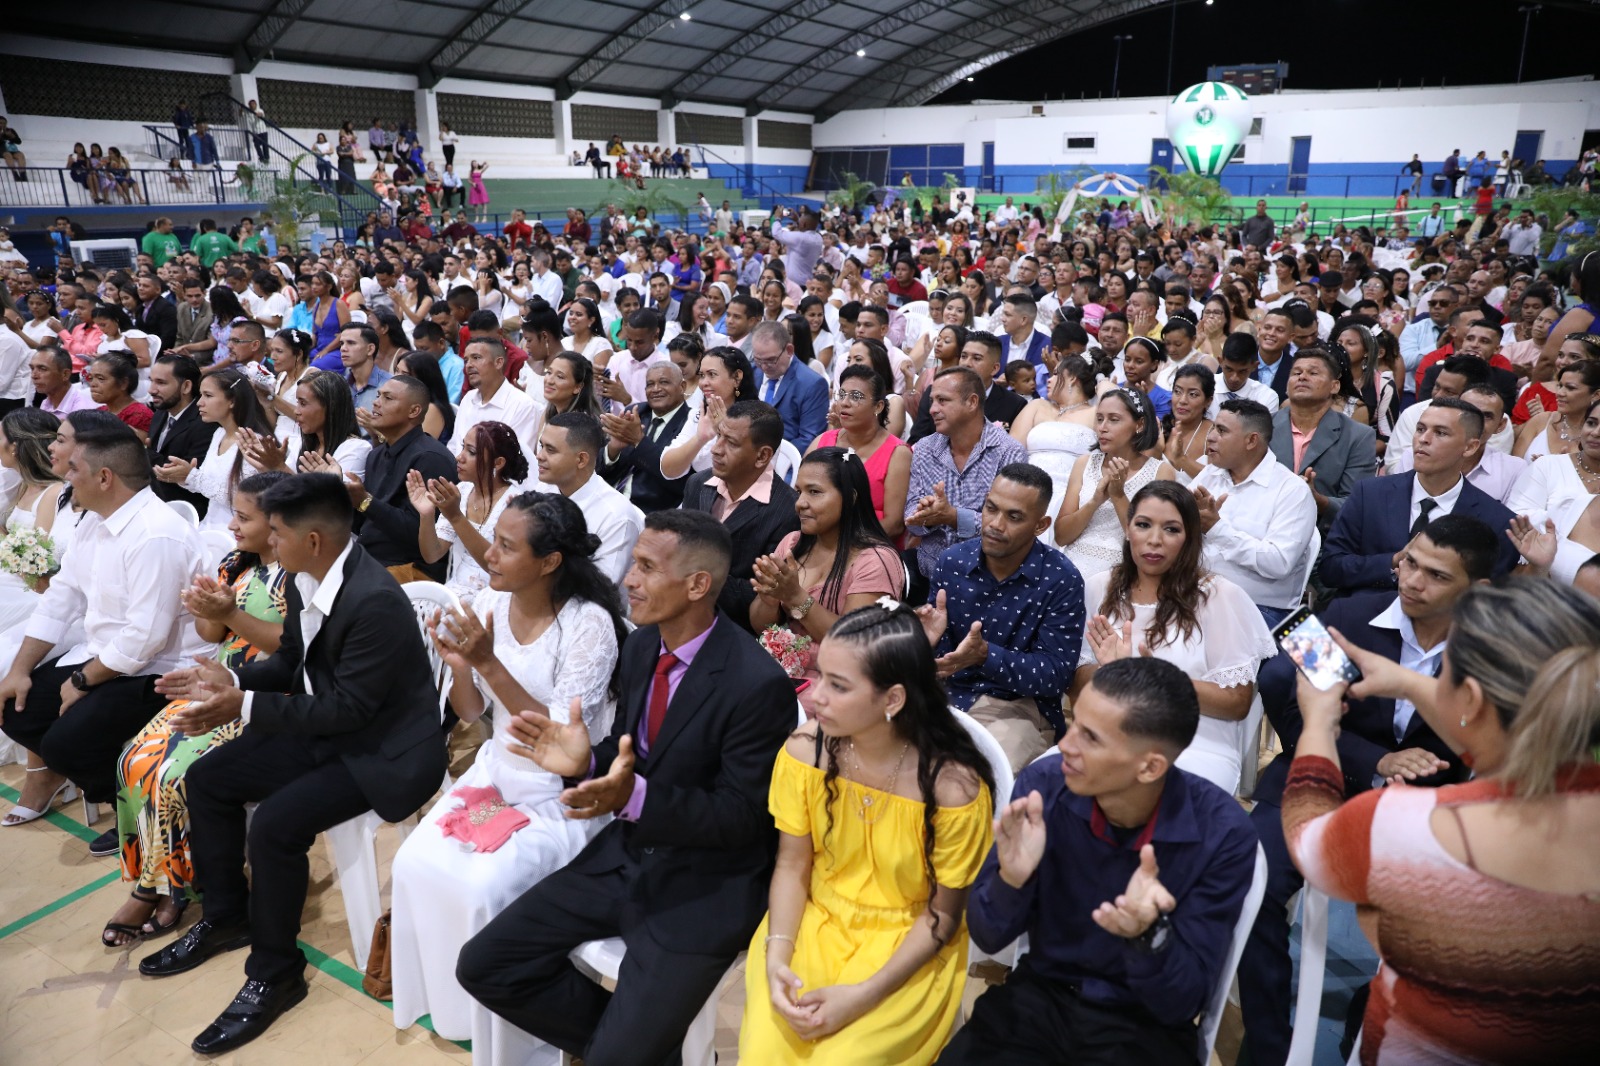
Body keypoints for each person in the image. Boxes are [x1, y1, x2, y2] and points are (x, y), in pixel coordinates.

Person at [455, 509, 799, 1065]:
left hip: (703, 886)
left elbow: (740, 818)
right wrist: (583, 760)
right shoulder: (641, 648)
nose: (628, 579)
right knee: (485, 965)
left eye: (646, 567)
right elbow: (625, 756)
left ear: (697, 584)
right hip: (626, 857)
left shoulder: (756, 684)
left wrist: (633, 798)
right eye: (633, 563)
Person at [135, 473, 447, 1054]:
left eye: (276, 532)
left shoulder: (374, 601)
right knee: (208, 778)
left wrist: (242, 705)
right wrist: (229, 678)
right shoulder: (308, 578)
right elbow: (295, 665)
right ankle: (228, 916)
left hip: (382, 752)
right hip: (330, 730)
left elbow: (349, 709)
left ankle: (277, 972)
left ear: (313, 539)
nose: (269, 542)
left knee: (277, 825)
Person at [1282, 580, 1600, 1064]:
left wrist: (1319, 723)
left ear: (1470, 698)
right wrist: (1407, 682)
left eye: (1441, 674)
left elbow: (1310, 842)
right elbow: (1496, 738)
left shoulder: (1411, 826)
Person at [1237, 517, 1494, 1066]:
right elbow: (1291, 707)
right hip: (1317, 775)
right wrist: (1375, 760)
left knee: (1447, 927)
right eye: (1410, 562)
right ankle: (1268, 1044)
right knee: (1253, 883)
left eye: (1437, 575)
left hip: (1425, 810)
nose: (1412, 581)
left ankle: (1372, 1026)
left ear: (1479, 590)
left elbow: (1488, 750)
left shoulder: (1493, 654)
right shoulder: (1345, 618)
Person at [390, 492, 627, 1059]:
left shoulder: (589, 624)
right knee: (413, 863)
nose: (488, 555)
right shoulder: (492, 603)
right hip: (496, 771)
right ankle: (455, 1010)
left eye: (505, 545)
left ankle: (518, 1032)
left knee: (481, 887)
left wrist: (487, 661)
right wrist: (461, 668)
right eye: (494, 540)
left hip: (559, 793)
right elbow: (474, 713)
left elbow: (562, 742)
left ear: (549, 562)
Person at [937, 656, 1258, 1065]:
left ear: (1150, 767)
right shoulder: (1044, 786)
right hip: (1041, 998)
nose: (1065, 746)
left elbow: (1182, 1002)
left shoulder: (1221, 832)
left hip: (1144, 1026)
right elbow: (987, 936)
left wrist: (1148, 935)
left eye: (1090, 738)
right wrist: (1011, 881)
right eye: (1074, 724)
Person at [743, 602, 994, 1063]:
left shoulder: (952, 790)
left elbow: (942, 917)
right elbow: (793, 866)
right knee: (764, 1053)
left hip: (907, 947)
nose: (817, 696)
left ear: (893, 699)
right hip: (812, 924)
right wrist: (777, 959)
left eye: (838, 685)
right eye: (820, 676)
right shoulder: (804, 752)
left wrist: (862, 995)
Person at [0, 422, 208, 858]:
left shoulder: (155, 533)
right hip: (107, 655)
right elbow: (60, 599)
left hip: (163, 670)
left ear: (104, 477)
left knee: (64, 743)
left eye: (73, 468)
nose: (66, 477)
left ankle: (138, 809)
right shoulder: (94, 521)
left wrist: (82, 681)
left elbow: (145, 638)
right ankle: (114, 785)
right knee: (15, 708)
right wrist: (19, 670)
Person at [102, 471, 289, 946]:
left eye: (244, 518)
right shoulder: (236, 563)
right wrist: (207, 608)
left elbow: (291, 649)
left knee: (172, 774)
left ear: (277, 523)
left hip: (262, 695)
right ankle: (158, 881)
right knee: (133, 759)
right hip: (214, 683)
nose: (232, 526)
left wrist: (229, 613)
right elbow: (211, 635)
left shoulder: (297, 575)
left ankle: (166, 890)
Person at [1073, 481, 1275, 794]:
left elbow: (1236, 702)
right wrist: (1113, 674)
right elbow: (1075, 683)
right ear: (1127, 529)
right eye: (1143, 525)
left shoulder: (1219, 596)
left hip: (1195, 743)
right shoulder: (1100, 587)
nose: (1154, 540)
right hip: (1110, 733)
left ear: (1190, 538)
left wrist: (1156, 679)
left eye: (1171, 529)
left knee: (1144, 791)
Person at [920, 464, 1083, 770]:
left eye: (1014, 517)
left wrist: (985, 656)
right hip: (945, 696)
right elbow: (942, 660)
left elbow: (1055, 675)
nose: (995, 524)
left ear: (1040, 525)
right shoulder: (952, 562)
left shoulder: (1061, 579)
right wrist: (925, 641)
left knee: (973, 774)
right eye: (990, 508)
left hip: (1021, 707)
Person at [749, 447, 906, 711]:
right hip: (782, 671)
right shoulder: (793, 543)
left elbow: (853, 644)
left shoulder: (875, 560)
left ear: (850, 498)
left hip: (839, 682)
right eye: (799, 491)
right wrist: (768, 598)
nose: (800, 503)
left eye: (814, 492)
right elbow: (761, 628)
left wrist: (795, 596)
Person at [1321, 399, 1518, 595]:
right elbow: (1330, 568)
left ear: (1470, 447)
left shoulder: (1497, 521)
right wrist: (1393, 561)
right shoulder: (1369, 494)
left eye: (1440, 433)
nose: (1423, 439)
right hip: (1364, 611)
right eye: (1421, 429)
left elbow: (1487, 599)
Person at [1192, 399, 1318, 626]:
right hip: (1196, 596)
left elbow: (1279, 563)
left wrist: (1216, 529)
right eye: (1213, 428)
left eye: (1221, 430)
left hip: (1261, 610)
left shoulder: (1293, 491)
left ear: (1251, 440)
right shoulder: (1209, 475)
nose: (1210, 437)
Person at [681, 400, 800, 629]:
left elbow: (758, 595)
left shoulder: (788, 511)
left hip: (734, 628)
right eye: (719, 436)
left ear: (762, 456)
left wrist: (692, 570)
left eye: (731, 443)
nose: (716, 449)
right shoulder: (697, 484)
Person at [905, 367, 1029, 585]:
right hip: (929, 573)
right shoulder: (924, 448)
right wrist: (925, 514)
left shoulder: (1009, 452)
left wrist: (952, 517)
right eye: (932, 401)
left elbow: (1009, 525)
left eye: (943, 400)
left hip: (986, 577)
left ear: (972, 402)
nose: (932, 409)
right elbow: (910, 518)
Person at [328, 375, 457, 583]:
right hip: (371, 559)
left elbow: (420, 537)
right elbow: (364, 526)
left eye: (388, 398)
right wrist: (338, 492)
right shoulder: (376, 455)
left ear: (414, 411)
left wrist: (366, 501)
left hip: (412, 568)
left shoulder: (431, 458)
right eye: (378, 395)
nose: (376, 402)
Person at [1054, 388, 1175, 578]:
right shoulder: (1084, 464)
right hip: (1072, 568)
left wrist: (1118, 496)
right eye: (1099, 418)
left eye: (1114, 419)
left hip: (1123, 571)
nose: (1102, 427)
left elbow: (1147, 541)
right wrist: (1095, 501)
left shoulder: (1161, 472)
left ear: (1140, 424)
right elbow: (1061, 537)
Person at [408, 420, 528, 606]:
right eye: (463, 447)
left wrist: (456, 517)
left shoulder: (514, 503)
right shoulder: (463, 490)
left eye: (471, 452)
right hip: (454, 591)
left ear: (498, 463)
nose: (459, 457)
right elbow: (432, 555)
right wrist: (427, 515)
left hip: (495, 599)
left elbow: (497, 565)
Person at [154, 369, 275, 532]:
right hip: (210, 526)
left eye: (208, 395)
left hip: (237, 532)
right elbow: (209, 485)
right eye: (201, 395)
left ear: (232, 401)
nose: (199, 403)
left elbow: (243, 499)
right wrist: (183, 476)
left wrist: (192, 476)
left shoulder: (254, 441)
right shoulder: (219, 433)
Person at [1268, 349, 1377, 530]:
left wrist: (1318, 500)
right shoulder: (1263, 427)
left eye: (1313, 373)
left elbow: (1356, 504)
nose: (1302, 377)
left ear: (1334, 386)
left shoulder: (1358, 436)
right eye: (1296, 373)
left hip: (1323, 535)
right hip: (1262, 529)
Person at [809, 364, 912, 543]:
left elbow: (894, 524)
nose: (844, 402)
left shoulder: (898, 454)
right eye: (842, 395)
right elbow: (800, 496)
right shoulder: (822, 441)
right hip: (820, 541)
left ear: (878, 407)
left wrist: (842, 545)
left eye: (856, 396)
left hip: (871, 545)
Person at [1011, 355, 1100, 528]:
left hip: (1072, 494)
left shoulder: (1097, 413)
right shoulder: (1037, 406)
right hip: (1027, 487)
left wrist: (1101, 381)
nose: (1049, 380)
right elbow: (1012, 450)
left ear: (1072, 377)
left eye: (1055, 374)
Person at [598, 362, 693, 513]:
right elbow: (599, 470)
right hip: (607, 500)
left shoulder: (691, 423)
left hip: (651, 511)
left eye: (664, 382)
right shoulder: (635, 412)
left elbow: (680, 482)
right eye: (650, 384)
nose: (656, 389)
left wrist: (639, 441)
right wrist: (613, 450)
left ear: (682, 386)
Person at [456, 336, 541, 467]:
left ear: (498, 363)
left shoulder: (523, 405)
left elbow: (517, 462)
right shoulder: (468, 399)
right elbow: (454, 446)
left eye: (476, 358)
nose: (469, 365)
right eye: (466, 360)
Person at [145, 353, 213, 517]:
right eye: (151, 381)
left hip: (185, 511)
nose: (151, 390)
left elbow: (182, 475)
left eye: (161, 382)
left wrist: (142, 452)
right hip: (153, 501)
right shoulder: (161, 411)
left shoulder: (205, 423)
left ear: (186, 387)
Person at [750, 320, 829, 451]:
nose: (764, 367)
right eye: (758, 359)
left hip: (786, 458)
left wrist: (767, 456)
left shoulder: (812, 384)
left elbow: (809, 439)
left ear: (789, 350)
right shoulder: (751, 372)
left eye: (771, 360)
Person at [85, 352, 154, 442]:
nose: (93, 384)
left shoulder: (141, 415)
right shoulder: (100, 411)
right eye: (91, 378)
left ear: (123, 383)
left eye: (101, 379)